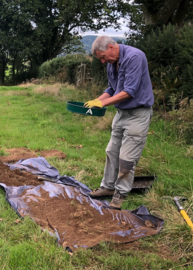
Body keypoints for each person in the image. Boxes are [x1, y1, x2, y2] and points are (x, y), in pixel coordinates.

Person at [85, 36, 154, 210]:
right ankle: (107, 187)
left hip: (138, 114)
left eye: (102, 57)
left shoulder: (135, 57)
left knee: (127, 158)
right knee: (112, 151)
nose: (102, 61)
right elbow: (111, 89)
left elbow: (129, 91)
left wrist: (103, 103)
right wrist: (96, 100)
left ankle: (120, 194)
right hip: (121, 113)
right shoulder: (111, 63)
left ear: (110, 47)